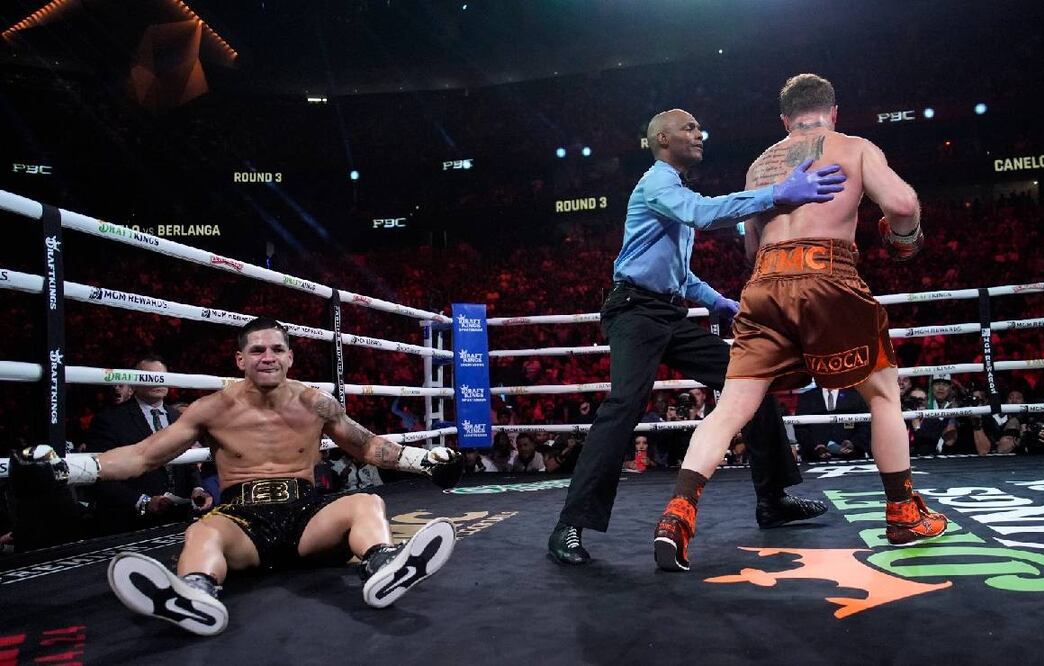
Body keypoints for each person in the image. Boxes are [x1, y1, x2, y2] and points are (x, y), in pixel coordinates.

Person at [653, 74, 947, 572]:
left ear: (785, 120)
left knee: (729, 410)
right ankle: (902, 511)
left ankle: (676, 516)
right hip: (828, 274)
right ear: (833, 112)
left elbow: (749, 248)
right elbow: (901, 205)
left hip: (764, 283)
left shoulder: (759, 165)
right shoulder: (851, 146)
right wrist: (905, 239)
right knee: (882, 393)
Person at [13, 318, 464, 636]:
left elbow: (366, 446)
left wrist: (425, 461)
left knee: (366, 502)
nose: (267, 356)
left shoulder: (317, 403)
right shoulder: (214, 408)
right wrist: (66, 469)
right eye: (257, 350)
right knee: (202, 531)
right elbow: (144, 457)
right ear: (240, 359)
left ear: (290, 356)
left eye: (276, 349)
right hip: (242, 519)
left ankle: (385, 565)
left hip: (307, 518)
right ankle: (193, 596)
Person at [547, 107, 846, 565]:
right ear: (662, 140)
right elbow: (703, 214)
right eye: (688, 128)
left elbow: (678, 275)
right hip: (635, 312)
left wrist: (720, 301)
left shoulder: (673, 189)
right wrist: (776, 194)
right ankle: (569, 525)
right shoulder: (657, 183)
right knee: (624, 404)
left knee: (749, 383)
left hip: (667, 312)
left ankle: (773, 500)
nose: (699, 133)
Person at [84, 354, 210, 535]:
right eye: (150, 376)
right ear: (134, 383)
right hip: (130, 523)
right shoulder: (111, 419)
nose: (158, 381)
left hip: (179, 520)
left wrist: (197, 489)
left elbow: (188, 461)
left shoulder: (180, 417)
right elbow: (98, 474)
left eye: (162, 377)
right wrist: (141, 501)